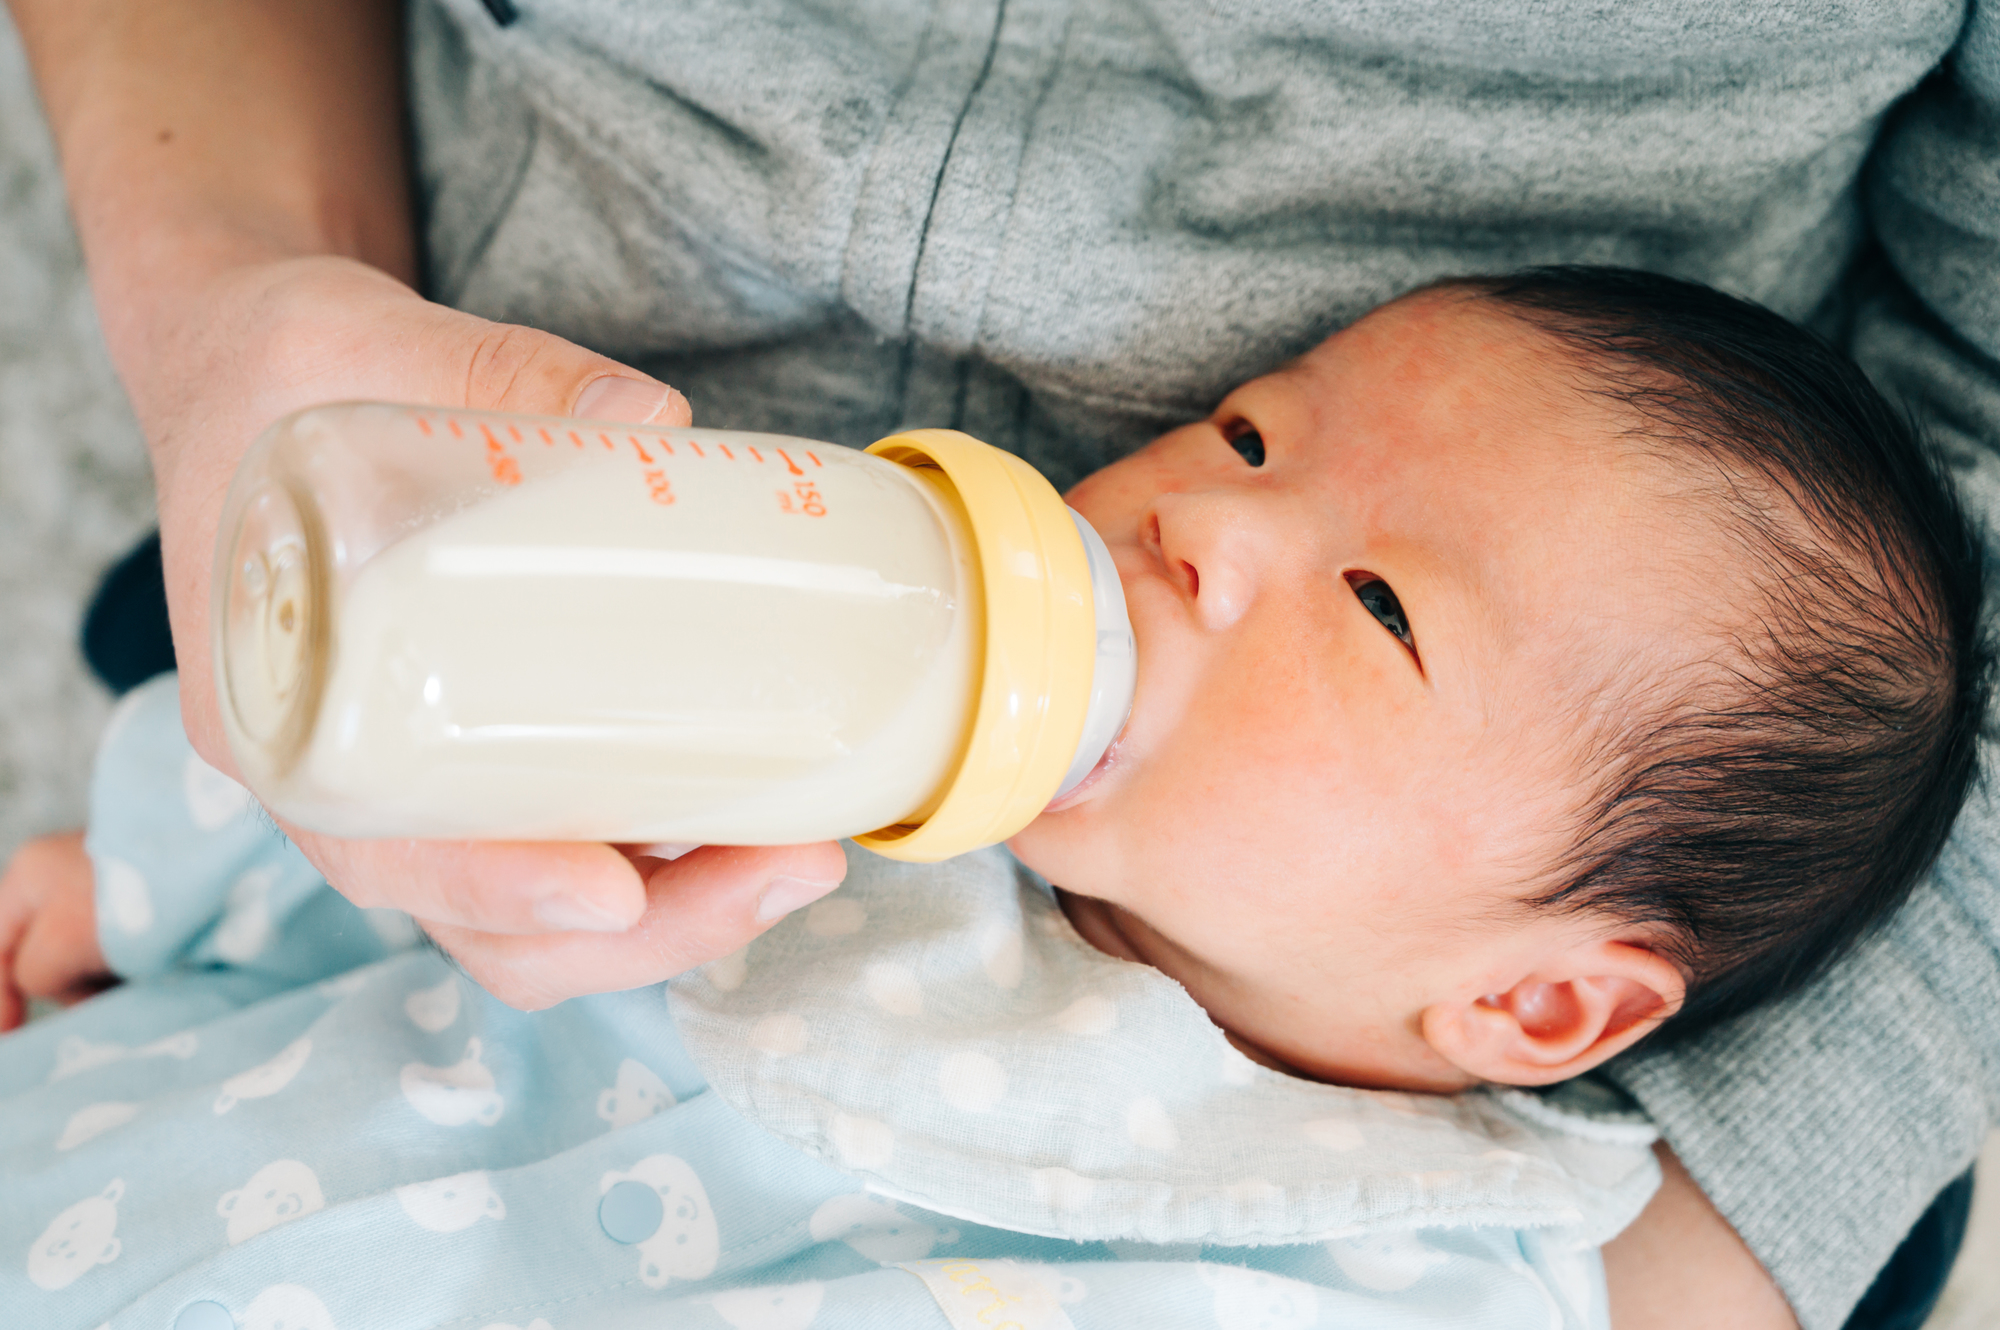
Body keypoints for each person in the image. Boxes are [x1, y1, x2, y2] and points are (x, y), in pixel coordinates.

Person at [3, 0, 1996, 1324]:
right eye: (1250, 428)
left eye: (1379, 607)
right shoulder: (838, 718)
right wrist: (154, 877)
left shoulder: (1410, 1264)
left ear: (1536, 991)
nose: (1204, 527)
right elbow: (423, 796)